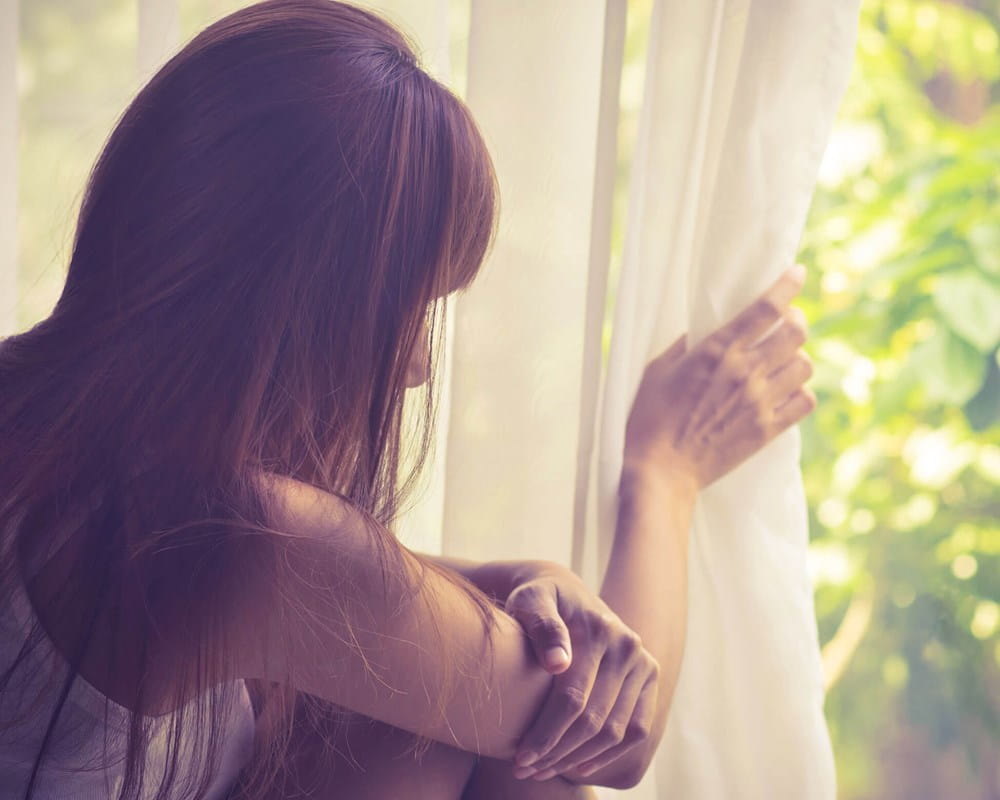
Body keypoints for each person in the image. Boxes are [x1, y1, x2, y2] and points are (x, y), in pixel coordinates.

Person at [0, 1, 817, 798]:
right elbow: (610, 743)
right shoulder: (242, 538)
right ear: (299, 305)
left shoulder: (41, 416)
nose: (418, 365)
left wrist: (513, 576)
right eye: (408, 310)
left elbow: (362, 601)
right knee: (492, 748)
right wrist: (664, 475)